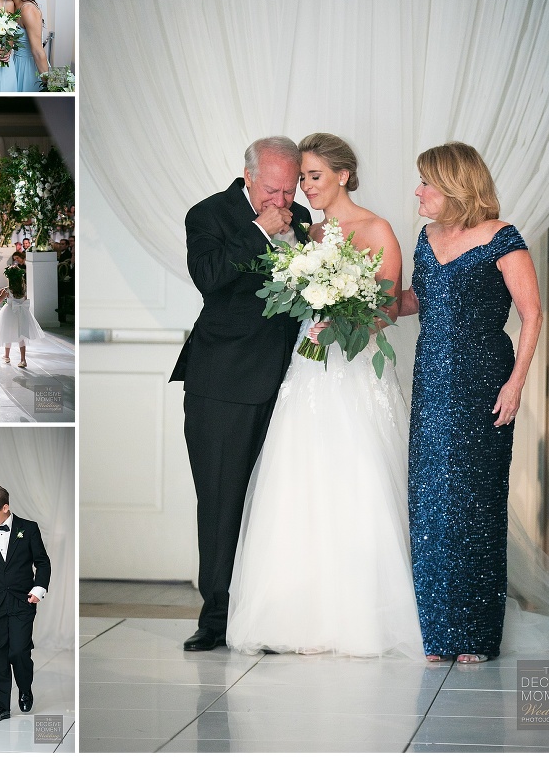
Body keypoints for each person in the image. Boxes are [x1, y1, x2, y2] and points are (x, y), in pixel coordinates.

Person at [226, 133, 425, 657]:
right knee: (300, 478)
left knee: (356, 478)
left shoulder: (377, 229)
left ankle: (360, 615)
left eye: (312, 177)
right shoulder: (307, 233)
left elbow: (385, 311)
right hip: (308, 370)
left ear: (342, 175)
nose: (303, 188)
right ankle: (300, 617)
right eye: (301, 178)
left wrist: (340, 315)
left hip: (356, 371)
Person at [400, 142, 543, 663]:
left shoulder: (501, 238)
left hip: (484, 382)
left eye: (426, 183)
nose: (417, 191)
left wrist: (516, 383)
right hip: (432, 378)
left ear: (455, 186)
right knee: (431, 500)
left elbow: (531, 313)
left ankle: (477, 634)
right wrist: (364, 299)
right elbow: (419, 297)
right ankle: (438, 633)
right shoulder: (425, 237)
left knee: (474, 503)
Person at [170, 136, 311, 651]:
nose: (282, 201)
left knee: (280, 500)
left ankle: (271, 612)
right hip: (223, 384)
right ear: (248, 176)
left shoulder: (299, 219)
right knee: (222, 501)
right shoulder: (207, 215)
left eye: (289, 189)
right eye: (272, 190)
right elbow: (209, 278)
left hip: (290, 382)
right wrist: (257, 231)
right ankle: (216, 617)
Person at [0, 485, 51, 722]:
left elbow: (42, 562)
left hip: (22, 601)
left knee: (19, 651)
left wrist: (39, 589)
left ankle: (25, 688)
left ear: (5, 508)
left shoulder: (28, 529)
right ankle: (0, 707)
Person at [3, 0, 49, 91]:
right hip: (16, 64)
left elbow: (38, 51)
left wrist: (52, 85)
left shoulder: (28, 9)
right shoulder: (11, 5)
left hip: (30, 68)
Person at [0, 264, 45, 368]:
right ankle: (23, 359)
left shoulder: (7, 290)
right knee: (21, 336)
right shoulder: (23, 289)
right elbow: (24, 300)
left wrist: (0, 293)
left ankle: (7, 356)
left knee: (7, 333)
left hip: (9, 313)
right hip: (21, 313)